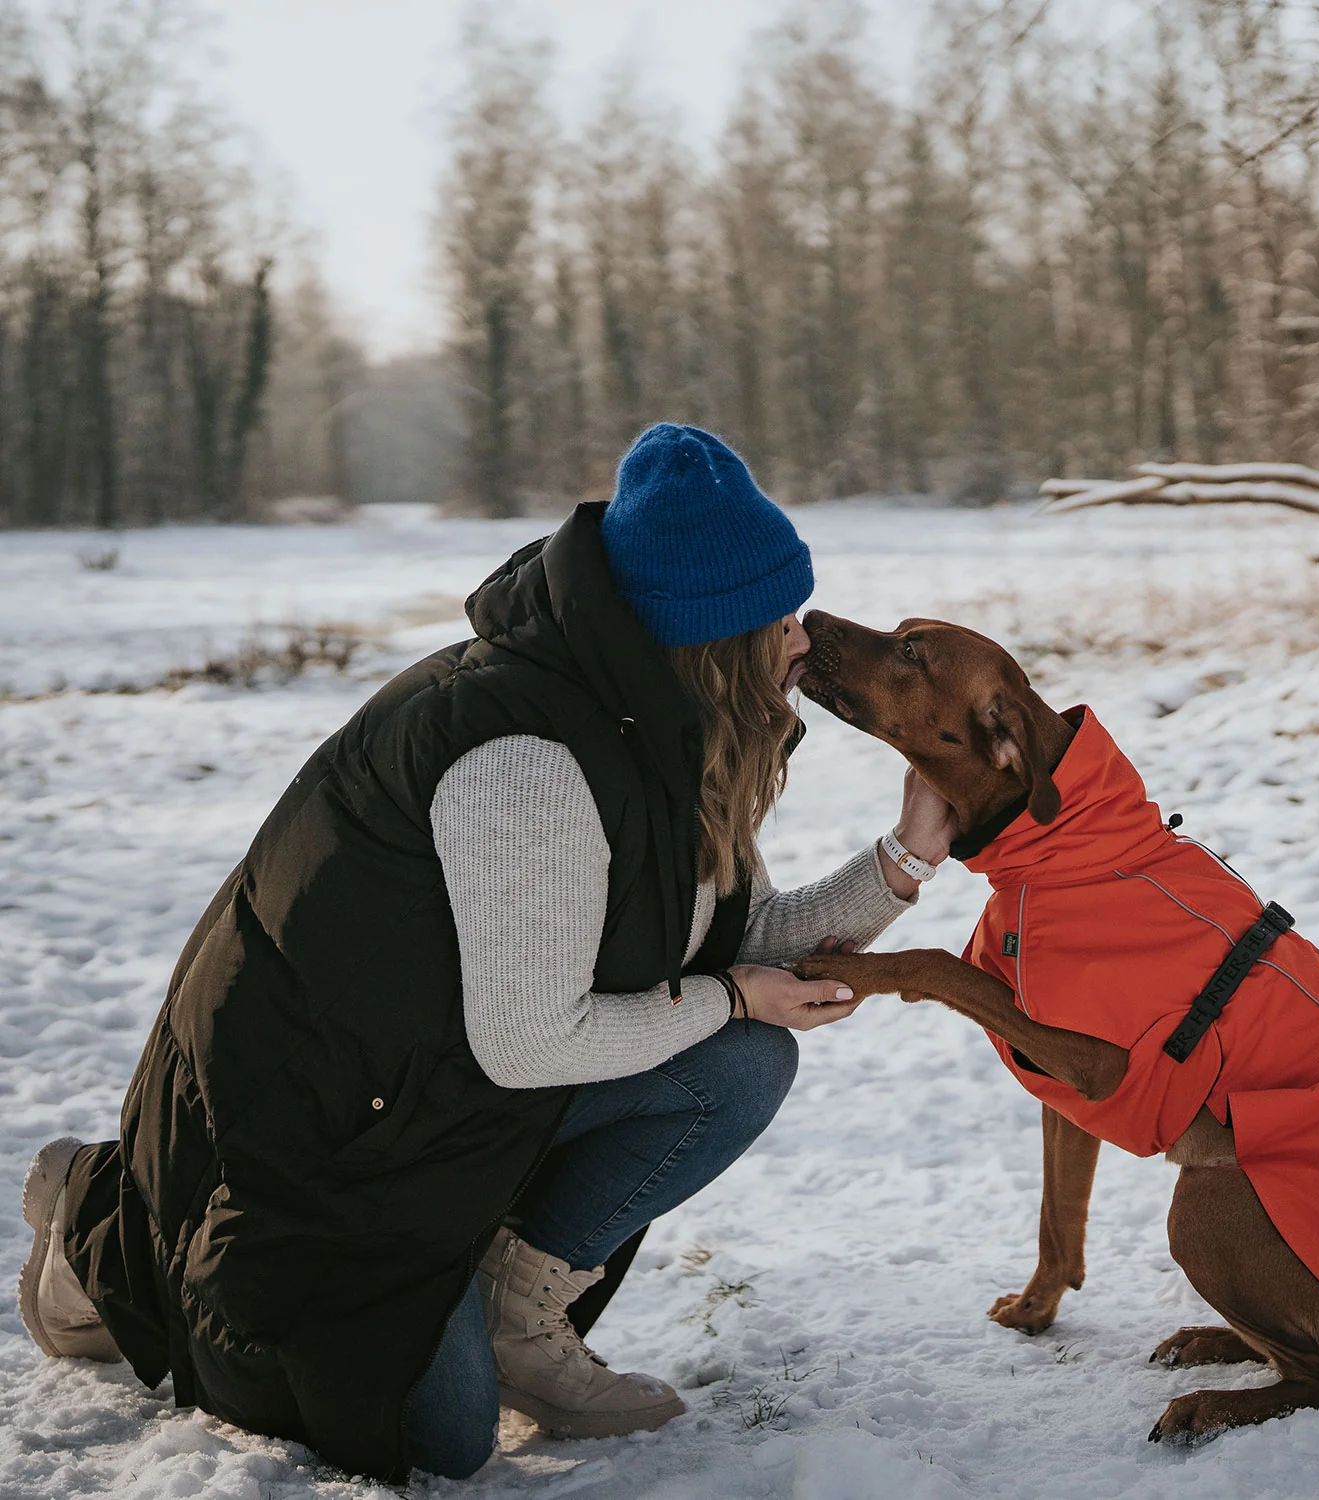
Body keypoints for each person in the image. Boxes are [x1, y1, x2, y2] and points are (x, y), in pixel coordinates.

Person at [18, 423, 956, 1482]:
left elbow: (731, 945)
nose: (802, 638)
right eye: (776, 619)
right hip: (315, 1137)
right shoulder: (525, 761)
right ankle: (100, 1222)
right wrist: (734, 996)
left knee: (738, 1062)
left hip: (444, 1094)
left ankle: (517, 1314)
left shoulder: (661, 727)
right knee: (442, 1439)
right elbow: (534, 1040)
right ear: (710, 641)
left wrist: (905, 858)